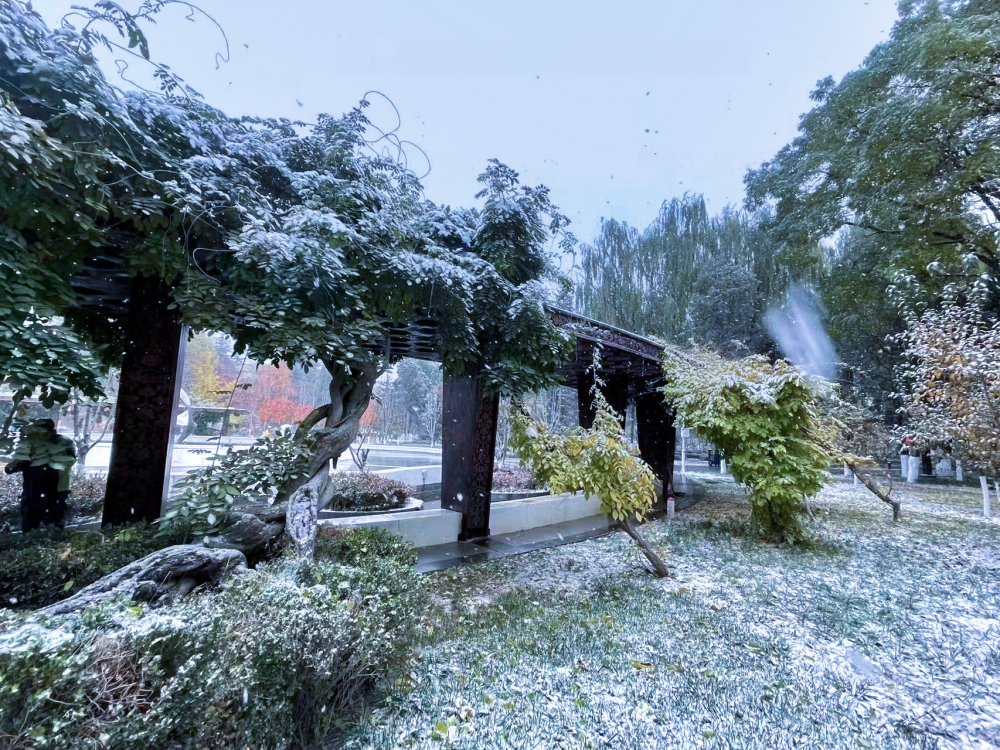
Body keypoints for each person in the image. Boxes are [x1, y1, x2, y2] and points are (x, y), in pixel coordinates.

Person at [4, 419, 76, 531]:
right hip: (33, 489)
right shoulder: (30, 442)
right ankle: (30, 537)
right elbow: (20, 462)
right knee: (30, 518)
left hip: (58, 487)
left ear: (52, 430)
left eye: (44, 430)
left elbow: (70, 461)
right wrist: (14, 465)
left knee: (55, 518)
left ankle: (52, 536)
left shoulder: (64, 441)